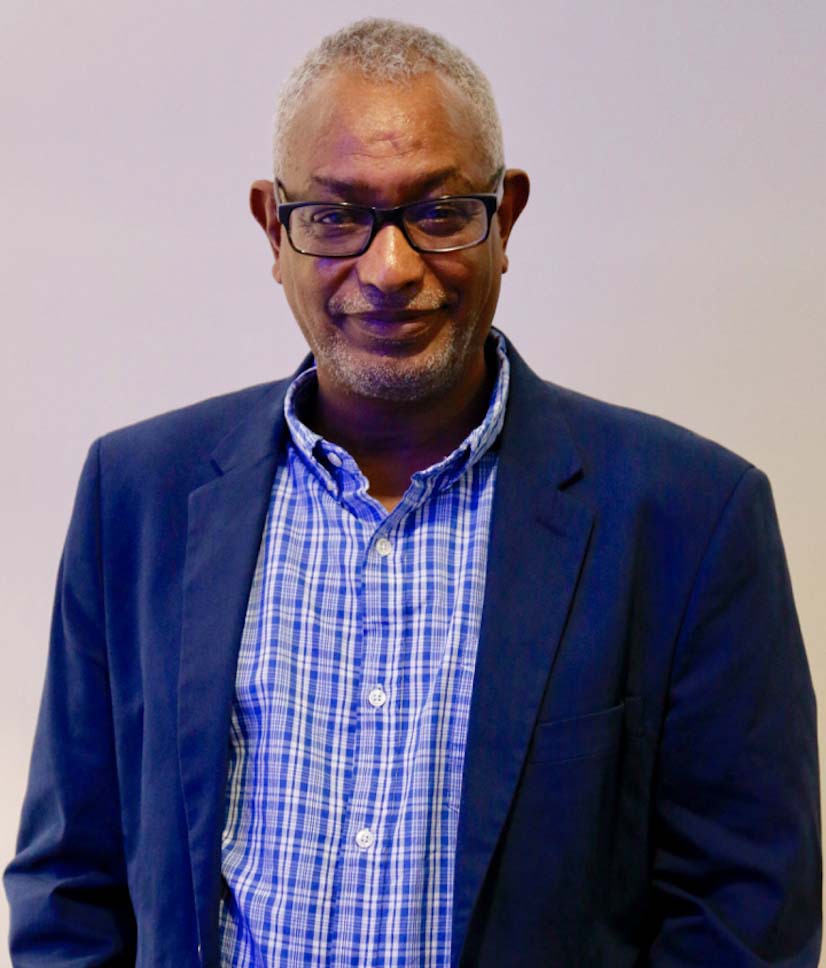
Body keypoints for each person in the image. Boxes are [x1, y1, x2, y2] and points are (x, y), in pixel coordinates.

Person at [5, 17, 820, 968]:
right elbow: (72, 885)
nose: (389, 270)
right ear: (273, 227)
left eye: (438, 214)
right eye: (335, 217)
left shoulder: (691, 519)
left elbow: (744, 916)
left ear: (506, 218)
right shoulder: (138, 497)